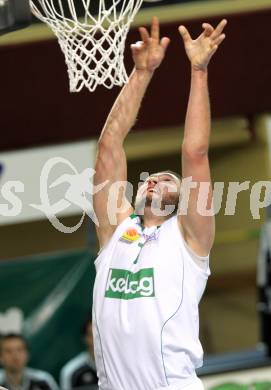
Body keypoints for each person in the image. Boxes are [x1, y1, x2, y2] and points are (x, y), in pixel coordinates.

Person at [92, 16, 227, 390]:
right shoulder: (115, 229)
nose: (154, 178)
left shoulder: (190, 240)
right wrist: (141, 73)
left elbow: (195, 152)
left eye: (168, 180)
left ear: (182, 202)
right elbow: (109, 147)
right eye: (150, 176)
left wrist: (198, 71)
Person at [60, 316, 98, 390]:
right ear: (85, 338)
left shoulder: (121, 362)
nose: (98, 338)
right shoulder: (70, 372)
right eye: (92, 334)